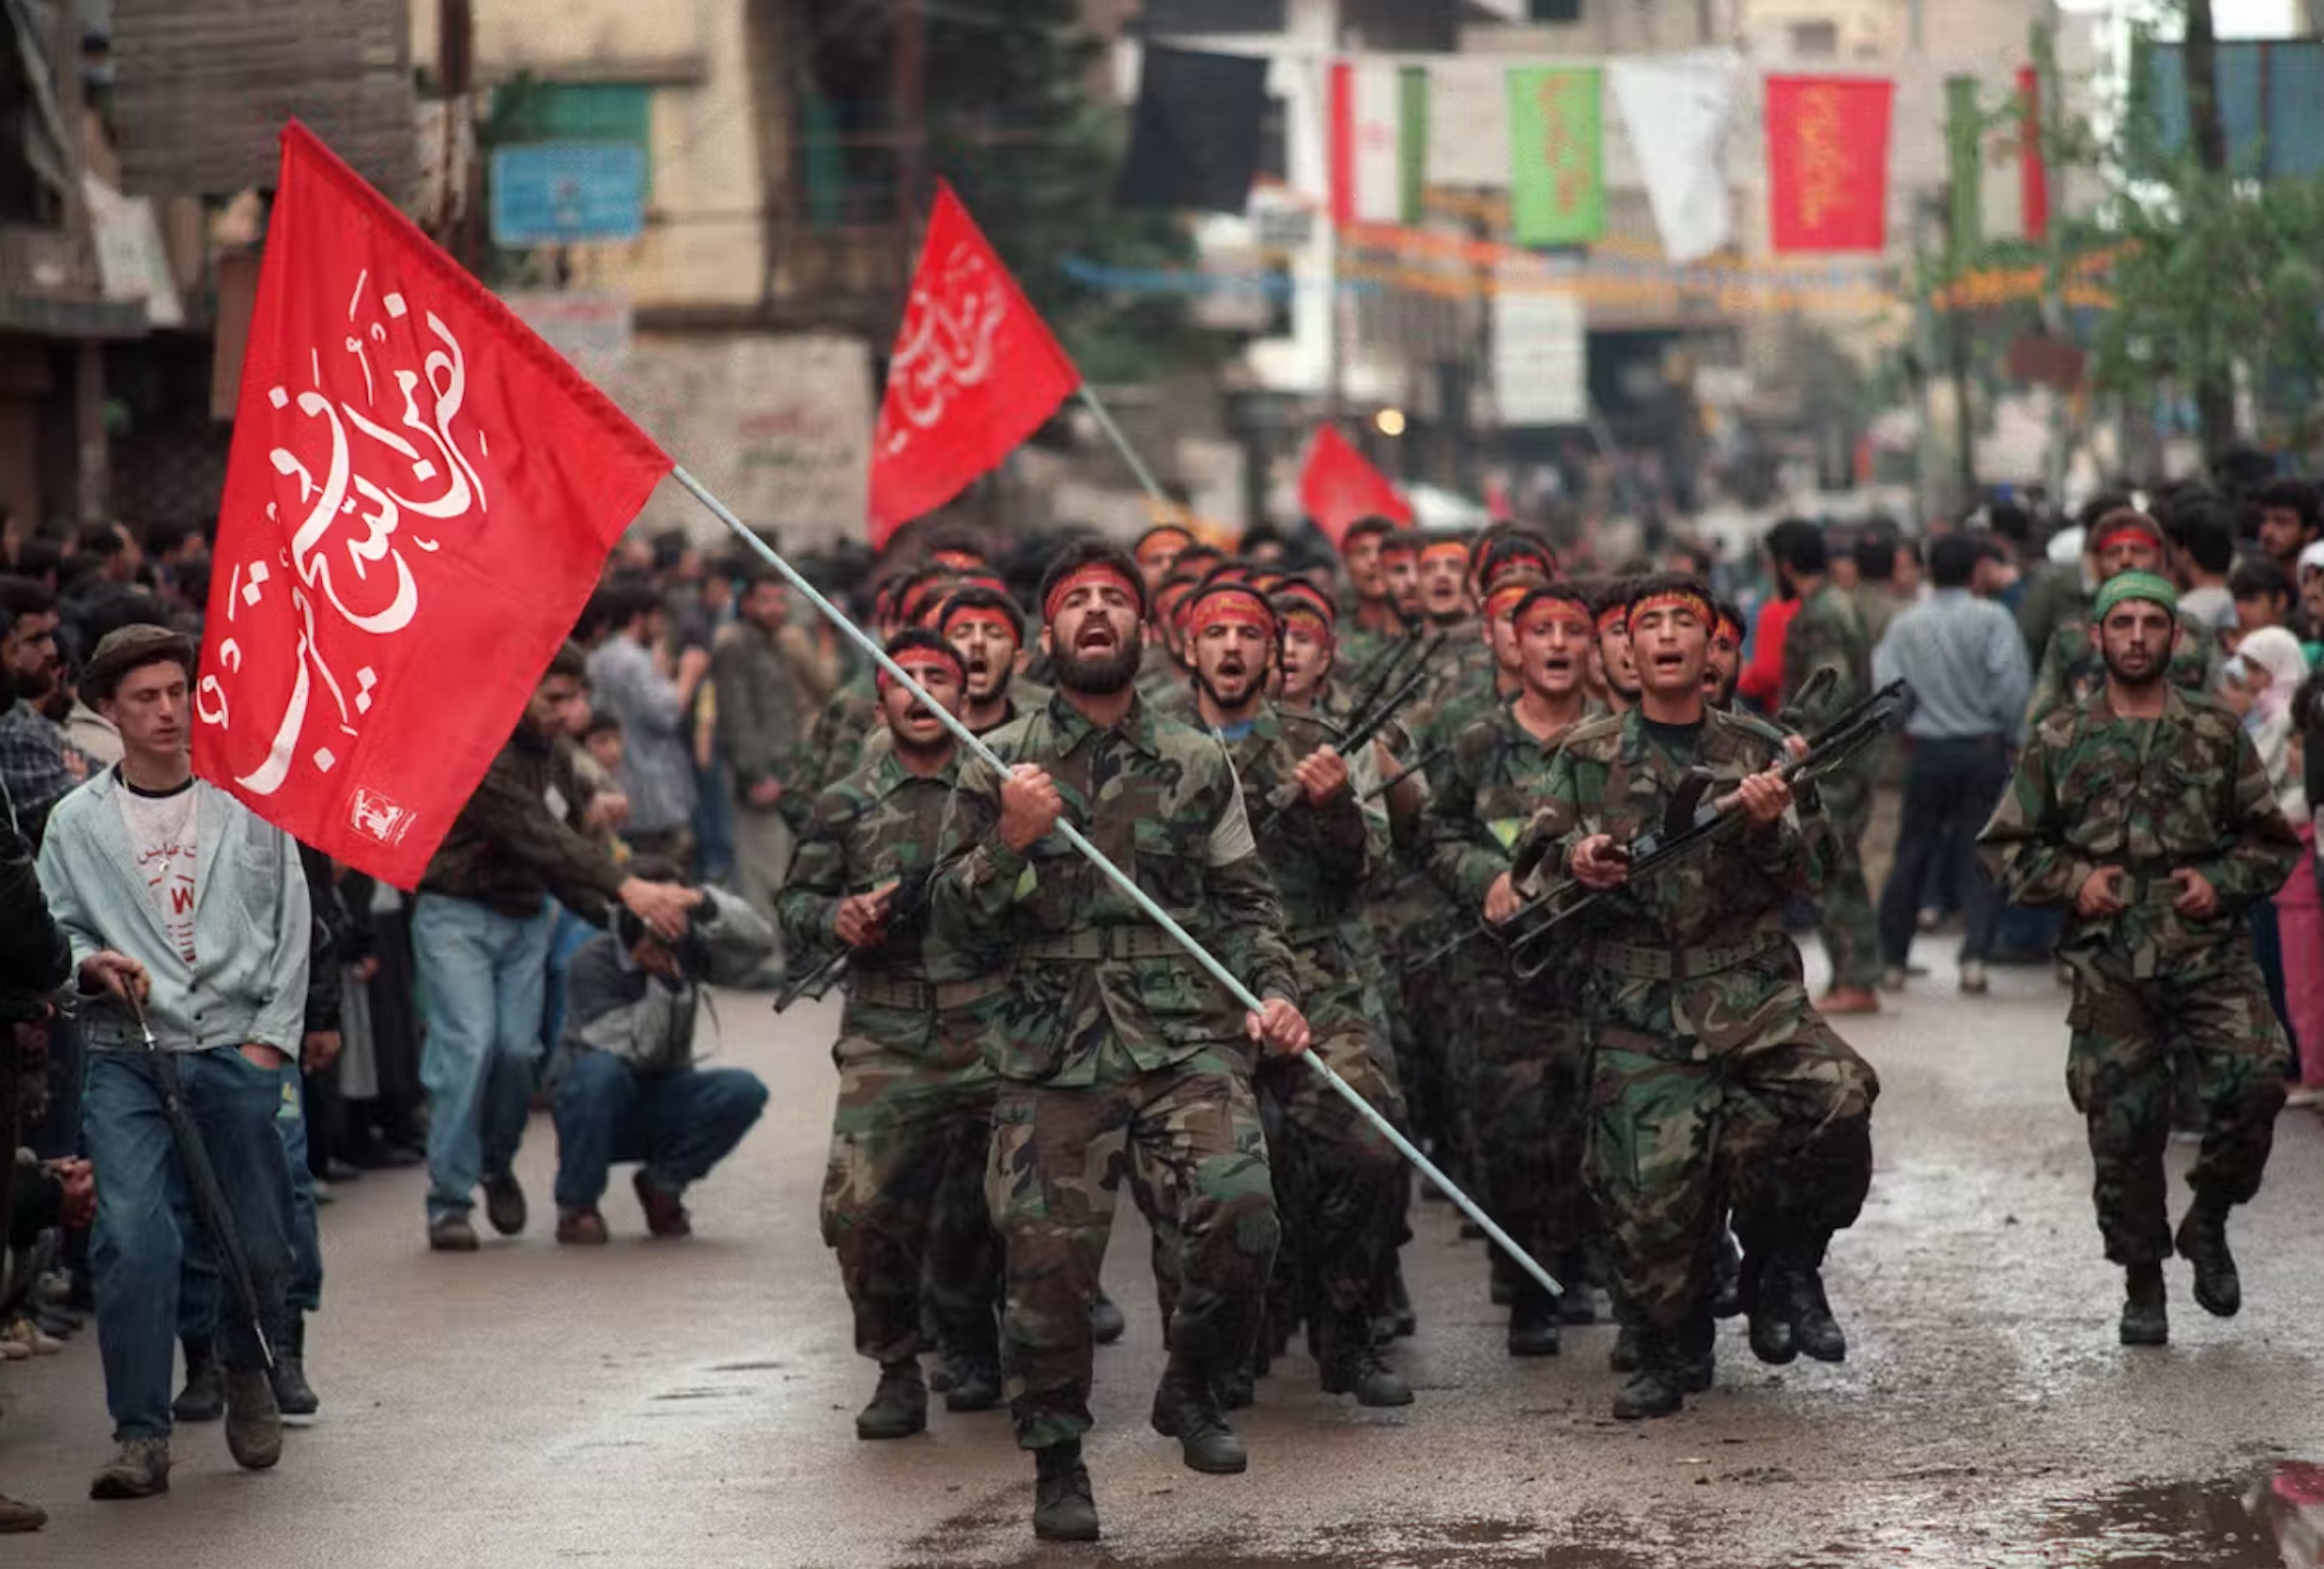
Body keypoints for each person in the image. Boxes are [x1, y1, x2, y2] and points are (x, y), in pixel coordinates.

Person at [931, 540, 1309, 1543]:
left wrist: (1273, 989)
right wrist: (1006, 837)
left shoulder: (1195, 757)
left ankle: (1193, 1388)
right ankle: (1057, 1455)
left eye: (1115, 600)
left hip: (1182, 1031)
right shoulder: (996, 761)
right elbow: (947, 925)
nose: (1096, 613)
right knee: (1047, 1266)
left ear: (1146, 632)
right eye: (1074, 602)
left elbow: (1247, 904)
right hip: (1048, 1044)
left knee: (1243, 1211)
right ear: (1044, 635)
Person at [1520, 574, 1880, 1420]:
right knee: (1646, 1208)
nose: (1672, 635)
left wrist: (1769, 826)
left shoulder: (1760, 748)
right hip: (1639, 1006)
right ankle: (1665, 1340)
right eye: (1653, 623)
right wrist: (1577, 860)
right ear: (1629, 650)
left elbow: (1818, 873)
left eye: (1691, 621)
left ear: (1716, 646)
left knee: (1840, 1099)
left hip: (1750, 995)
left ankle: (1785, 1258)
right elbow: (1531, 872)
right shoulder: (1585, 753)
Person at [1982, 572, 2297, 1346]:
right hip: (2110, 955)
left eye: (2150, 623)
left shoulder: (2216, 734)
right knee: (2122, 1124)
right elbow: (2006, 847)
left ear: (2173, 636)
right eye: (2119, 622)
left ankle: (2210, 1217)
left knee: (2258, 1079)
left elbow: (2269, 838)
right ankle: (2142, 1277)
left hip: (2206, 946)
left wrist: (2221, 879)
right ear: (2096, 636)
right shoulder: (2061, 738)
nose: (2134, 637)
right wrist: (2074, 879)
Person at [36, 624, 309, 1498]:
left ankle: (244, 1363)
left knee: (258, 1242)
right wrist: (87, 964)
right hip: (127, 1056)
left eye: (178, 691)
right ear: (107, 711)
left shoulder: (249, 801)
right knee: (134, 1241)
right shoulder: (75, 822)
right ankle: (141, 1432)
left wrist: (271, 1040)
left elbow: (292, 925)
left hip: (234, 1048)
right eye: (145, 697)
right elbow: (53, 927)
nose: (167, 710)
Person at [1182, 581, 1411, 1407]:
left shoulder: (1319, 742)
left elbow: (1368, 869)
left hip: (1314, 979)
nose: (1233, 647)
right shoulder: (1156, 746)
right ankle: (1229, 1338)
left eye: (1250, 633)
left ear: (1273, 654)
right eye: (1216, 633)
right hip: (1193, 988)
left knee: (1370, 1146)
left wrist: (1338, 806)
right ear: (1188, 649)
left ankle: (1345, 1329)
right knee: (1218, 1169)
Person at [782, 632, 1009, 1438]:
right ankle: (894, 1364)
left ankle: (982, 1339)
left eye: (938, 678)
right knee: (858, 1208)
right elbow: (796, 906)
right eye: (903, 681)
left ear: (969, 694)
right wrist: (834, 916)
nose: (921, 693)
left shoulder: (997, 789)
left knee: (1006, 1204)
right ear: (879, 701)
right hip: (888, 1029)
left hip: (992, 1022)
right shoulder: (844, 801)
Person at [411, 644, 695, 1252]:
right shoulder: (482, 750)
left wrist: (628, 922)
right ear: (519, 688)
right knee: (468, 1048)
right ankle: (449, 1202)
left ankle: (494, 1161)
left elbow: (566, 865)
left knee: (519, 1052)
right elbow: (538, 837)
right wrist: (628, 886)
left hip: (524, 919)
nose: (566, 711)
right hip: (454, 915)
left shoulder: (559, 763)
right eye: (553, 696)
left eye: (574, 697)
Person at [1424, 583, 1599, 1351]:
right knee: (1515, 1131)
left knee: (1599, 1127)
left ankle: (1593, 1264)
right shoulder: (1475, 742)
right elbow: (1434, 831)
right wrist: (1481, 880)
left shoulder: (1613, 739)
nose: (1557, 644)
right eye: (1541, 631)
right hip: (1505, 977)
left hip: (1601, 966)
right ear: (1512, 646)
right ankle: (1530, 1284)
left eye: (1572, 630)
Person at [551, 864, 769, 1243]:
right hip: (598, 1111)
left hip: (664, 1092)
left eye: (672, 909)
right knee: (601, 1073)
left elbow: (760, 942)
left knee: (744, 1090)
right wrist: (663, 984)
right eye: (654, 909)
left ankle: (663, 1184)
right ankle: (577, 1207)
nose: (664, 923)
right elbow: (636, 1049)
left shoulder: (687, 947)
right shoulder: (594, 960)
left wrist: (701, 902)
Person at [1872, 533, 2033, 995]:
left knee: (1912, 851)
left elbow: (1889, 690)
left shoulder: (1906, 625)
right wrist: (2010, 735)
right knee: (1977, 852)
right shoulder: (1993, 619)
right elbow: (2010, 685)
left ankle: (1893, 961)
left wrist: (1905, 725)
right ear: (1976, 570)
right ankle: (1975, 959)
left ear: (1927, 569)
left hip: (1926, 750)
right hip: (1982, 749)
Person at [1770, 522, 1883, 1013]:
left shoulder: (1819, 614)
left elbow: (1830, 689)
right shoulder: (1840, 603)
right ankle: (1853, 975)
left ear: (1786, 563)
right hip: (1844, 758)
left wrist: (1802, 743)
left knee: (1833, 864)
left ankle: (1854, 978)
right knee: (1842, 865)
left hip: (1830, 764)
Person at [714, 569, 815, 970]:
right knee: (760, 873)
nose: (775, 608)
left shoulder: (777, 645)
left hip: (787, 772)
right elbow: (737, 716)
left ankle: (779, 953)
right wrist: (754, 774)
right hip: (761, 778)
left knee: (782, 868)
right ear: (748, 603)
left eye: (780, 599)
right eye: (766, 600)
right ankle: (763, 960)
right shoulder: (735, 646)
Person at [586, 584, 709, 869]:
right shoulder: (632, 661)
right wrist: (688, 675)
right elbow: (665, 712)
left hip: (619, 778)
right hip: (650, 784)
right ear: (640, 618)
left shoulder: (598, 658)